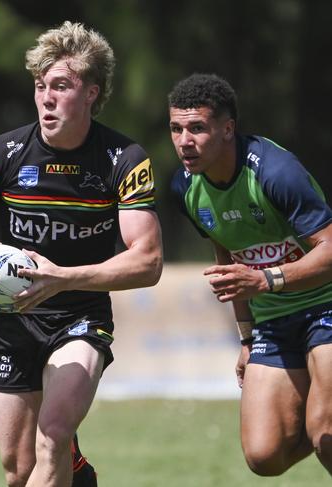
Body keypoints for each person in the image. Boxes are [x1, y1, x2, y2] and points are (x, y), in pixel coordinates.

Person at [0, 21, 162, 487]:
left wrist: (63, 278)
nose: (46, 98)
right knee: (19, 471)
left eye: (61, 85)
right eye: (41, 86)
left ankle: (63, 457)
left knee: (53, 435)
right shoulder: (3, 152)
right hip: (11, 321)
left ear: (92, 92)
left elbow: (147, 260)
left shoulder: (122, 158)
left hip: (79, 318)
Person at [169, 73, 332, 476]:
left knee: (325, 432)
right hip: (274, 323)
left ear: (227, 129)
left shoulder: (276, 172)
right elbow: (227, 256)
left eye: (197, 128)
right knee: (264, 456)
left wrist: (266, 280)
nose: (184, 140)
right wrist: (246, 337)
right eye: (175, 128)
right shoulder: (184, 188)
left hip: (326, 307)